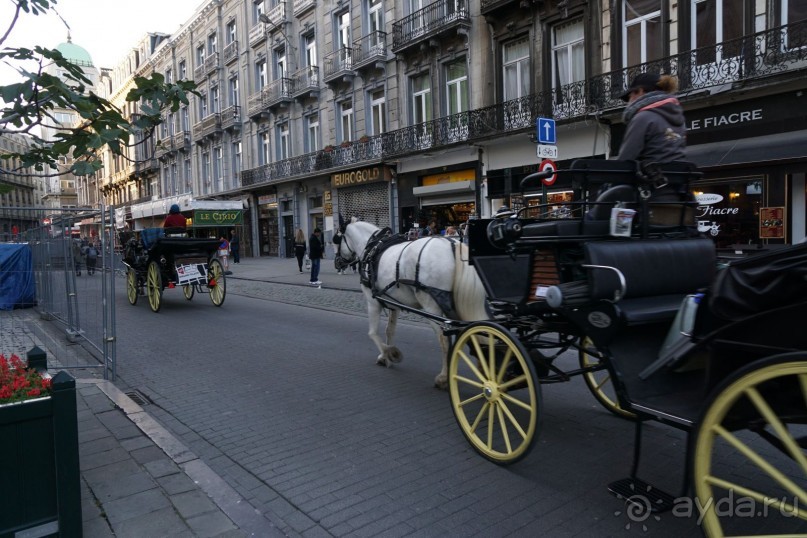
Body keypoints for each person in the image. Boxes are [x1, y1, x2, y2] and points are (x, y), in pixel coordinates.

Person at [617, 73, 686, 163]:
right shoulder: (679, 118)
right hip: (677, 171)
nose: (628, 102)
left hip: (651, 171)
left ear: (640, 91)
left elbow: (626, 159)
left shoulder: (642, 118)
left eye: (629, 97)